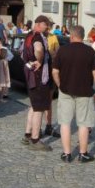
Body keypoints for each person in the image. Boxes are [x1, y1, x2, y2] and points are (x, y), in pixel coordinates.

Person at [52, 25, 95, 163]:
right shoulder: (89, 51)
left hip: (65, 91)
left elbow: (55, 72)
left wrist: (60, 85)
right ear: (82, 36)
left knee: (65, 122)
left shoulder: (63, 50)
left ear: (72, 36)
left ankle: (67, 154)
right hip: (85, 92)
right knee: (84, 123)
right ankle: (83, 154)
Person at [21, 15, 53, 152]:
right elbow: (38, 49)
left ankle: (27, 135)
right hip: (38, 76)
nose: (48, 27)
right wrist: (39, 60)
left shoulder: (29, 35)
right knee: (39, 108)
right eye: (46, 24)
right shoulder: (38, 37)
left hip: (30, 74)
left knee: (34, 106)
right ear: (39, 24)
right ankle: (35, 139)